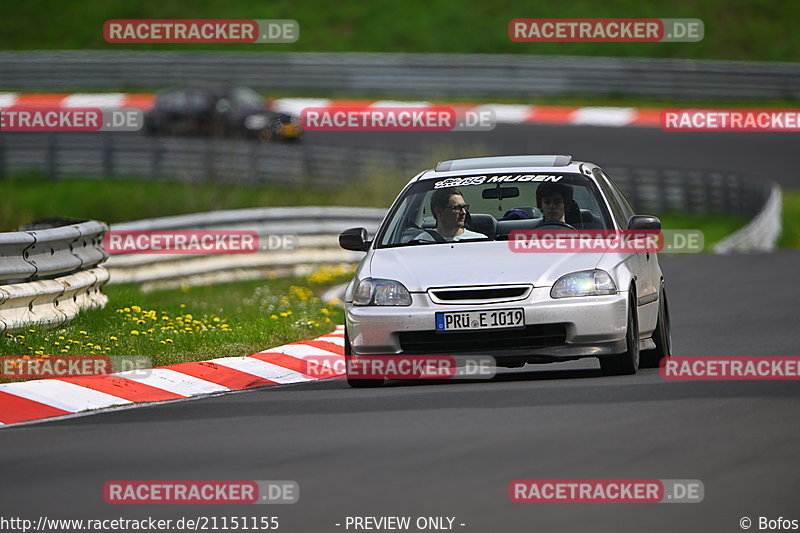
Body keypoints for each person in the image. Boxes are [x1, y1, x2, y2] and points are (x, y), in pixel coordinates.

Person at [415, 188, 485, 242]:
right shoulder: (420, 242)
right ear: (439, 211)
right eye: (456, 208)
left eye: (464, 207)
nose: (463, 212)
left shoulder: (480, 241)